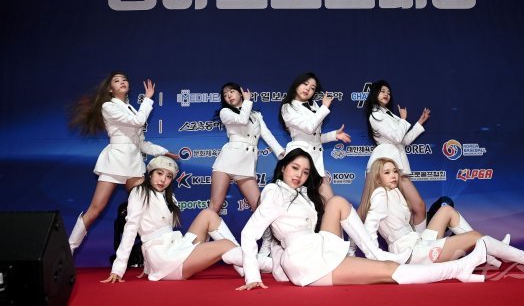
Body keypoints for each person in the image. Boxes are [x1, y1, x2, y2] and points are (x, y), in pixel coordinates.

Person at [237, 148, 489, 290]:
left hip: (317, 247)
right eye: (294, 168)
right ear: (282, 167)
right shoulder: (274, 192)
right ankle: (457, 269)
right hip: (307, 261)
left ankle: (375, 253)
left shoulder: (300, 193)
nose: (299, 175)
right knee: (388, 272)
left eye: (305, 172)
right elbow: (249, 234)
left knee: (337, 202)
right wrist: (253, 276)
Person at [102, 156, 272, 282]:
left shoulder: (169, 198)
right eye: (159, 173)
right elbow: (132, 229)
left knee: (208, 214)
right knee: (226, 244)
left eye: (169, 176)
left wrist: (148, 267)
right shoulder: (139, 192)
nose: (163, 179)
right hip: (165, 260)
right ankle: (271, 264)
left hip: (174, 248)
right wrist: (118, 268)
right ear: (150, 174)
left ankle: (245, 266)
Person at [67, 71, 178, 254]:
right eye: (117, 81)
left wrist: (163, 152)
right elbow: (138, 121)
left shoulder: (131, 108)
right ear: (110, 89)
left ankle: (158, 250)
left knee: (148, 205)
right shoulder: (108, 106)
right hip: (115, 162)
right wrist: (148, 99)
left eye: (124, 79)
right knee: (96, 209)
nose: (122, 82)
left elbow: (141, 143)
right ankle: (68, 249)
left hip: (133, 164)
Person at [357, 158, 524, 269]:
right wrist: (377, 261)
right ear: (378, 178)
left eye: (395, 171)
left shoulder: (394, 191)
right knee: (474, 236)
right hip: (410, 254)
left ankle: (490, 252)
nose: (394, 175)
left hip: (417, 243)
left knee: (446, 210)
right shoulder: (380, 194)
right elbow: (369, 229)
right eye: (387, 173)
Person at [211, 82, 285, 257]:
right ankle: (200, 242)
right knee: (215, 205)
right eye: (225, 95)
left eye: (232, 92)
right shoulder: (225, 112)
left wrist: (281, 153)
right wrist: (247, 102)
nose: (229, 96)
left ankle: (268, 242)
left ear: (240, 92)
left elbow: (267, 135)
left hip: (246, 163)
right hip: (227, 160)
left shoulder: (256, 115)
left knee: (259, 206)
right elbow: (242, 120)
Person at [363, 80, 429, 233]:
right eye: (382, 91)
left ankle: (420, 243)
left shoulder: (391, 115)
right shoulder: (375, 115)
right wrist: (403, 119)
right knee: (367, 210)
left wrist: (420, 122)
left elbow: (403, 141)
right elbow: (397, 137)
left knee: (417, 207)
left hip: (398, 166)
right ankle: (353, 245)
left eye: (388, 92)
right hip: (383, 168)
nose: (386, 94)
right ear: (375, 93)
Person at [279, 73, 351, 200]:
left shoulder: (315, 106)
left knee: (330, 201)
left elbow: (314, 137)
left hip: (316, 160)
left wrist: (334, 135)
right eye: (305, 84)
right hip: (299, 159)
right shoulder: (287, 107)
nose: (308, 89)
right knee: (294, 201)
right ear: (297, 84)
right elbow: (309, 127)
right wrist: (324, 107)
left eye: (312, 88)